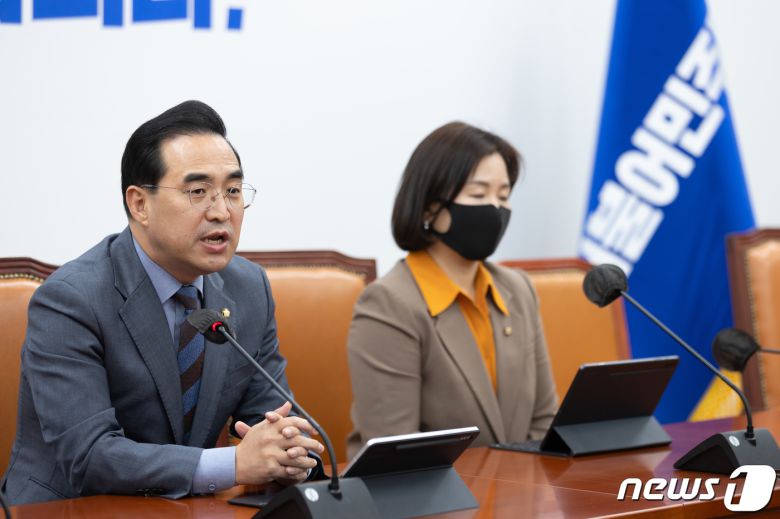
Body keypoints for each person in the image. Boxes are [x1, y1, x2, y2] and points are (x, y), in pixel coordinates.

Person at [1, 100, 324, 505]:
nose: (221, 212)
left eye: (232, 191)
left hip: (186, 508)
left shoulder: (248, 288)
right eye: (198, 192)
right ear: (140, 204)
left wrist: (289, 452)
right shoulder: (71, 299)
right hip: (70, 508)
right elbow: (89, 456)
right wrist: (234, 464)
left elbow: (272, 415)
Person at [346, 122, 558, 458]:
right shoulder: (388, 304)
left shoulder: (517, 290)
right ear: (430, 206)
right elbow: (395, 452)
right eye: (478, 195)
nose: (495, 209)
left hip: (521, 488)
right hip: (429, 490)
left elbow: (545, 422)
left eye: (503, 196)